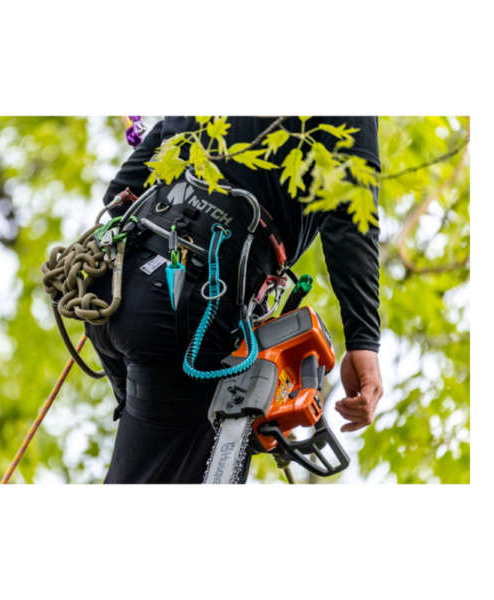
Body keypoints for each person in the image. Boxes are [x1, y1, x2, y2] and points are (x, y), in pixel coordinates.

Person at [85, 117, 384, 484]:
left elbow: (123, 189)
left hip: (118, 291)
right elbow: (351, 211)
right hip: (190, 308)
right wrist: (363, 342)